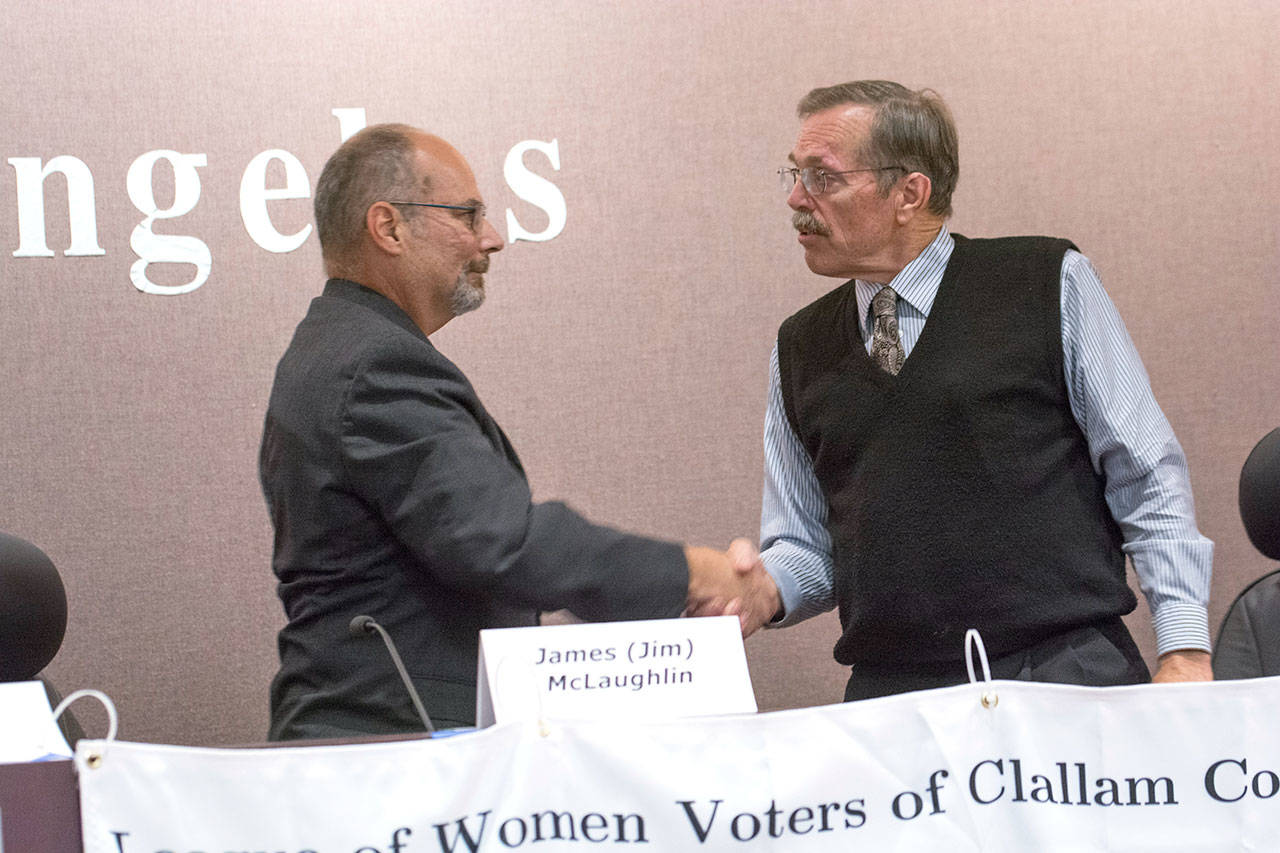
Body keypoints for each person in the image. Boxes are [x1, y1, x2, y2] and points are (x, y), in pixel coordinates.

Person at [260, 124, 772, 739]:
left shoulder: (344, 348)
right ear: (389, 227)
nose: (491, 239)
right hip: (392, 751)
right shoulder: (374, 366)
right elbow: (502, 542)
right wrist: (690, 572)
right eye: (468, 214)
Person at [754, 81, 1213, 701]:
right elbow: (808, 548)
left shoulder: (1044, 280)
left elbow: (1143, 471)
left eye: (822, 177)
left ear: (909, 193)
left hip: (1066, 678)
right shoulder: (798, 346)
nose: (796, 198)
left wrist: (1183, 648)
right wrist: (760, 591)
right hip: (893, 706)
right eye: (794, 173)